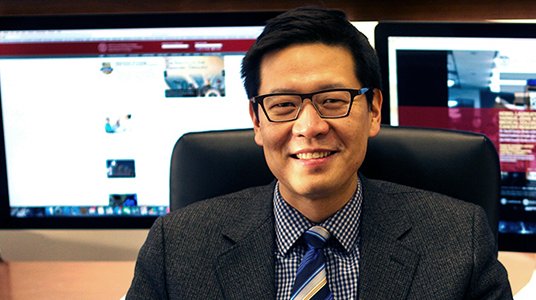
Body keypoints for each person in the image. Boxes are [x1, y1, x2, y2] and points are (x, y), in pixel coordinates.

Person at [126, 7, 512, 300]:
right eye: (282, 105)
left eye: (332, 100)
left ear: (374, 110)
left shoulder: (460, 241)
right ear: (257, 122)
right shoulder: (175, 249)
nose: (309, 127)